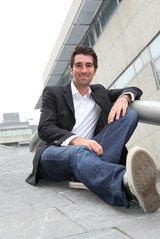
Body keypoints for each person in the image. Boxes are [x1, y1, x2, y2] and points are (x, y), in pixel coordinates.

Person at [26, 45, 160, 213]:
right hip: (55, 153)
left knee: (130, 115)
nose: (84, 70)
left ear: (95, 70)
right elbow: (45, 128)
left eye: (88, 65)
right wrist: (77, 140)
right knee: (78, 151)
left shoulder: (99, 92)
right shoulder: (54, 93)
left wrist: (123, 98)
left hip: (93, 150)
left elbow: (134, 89)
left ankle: (87, 173)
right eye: (79, 65)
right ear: (71, 69)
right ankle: (126, 184)